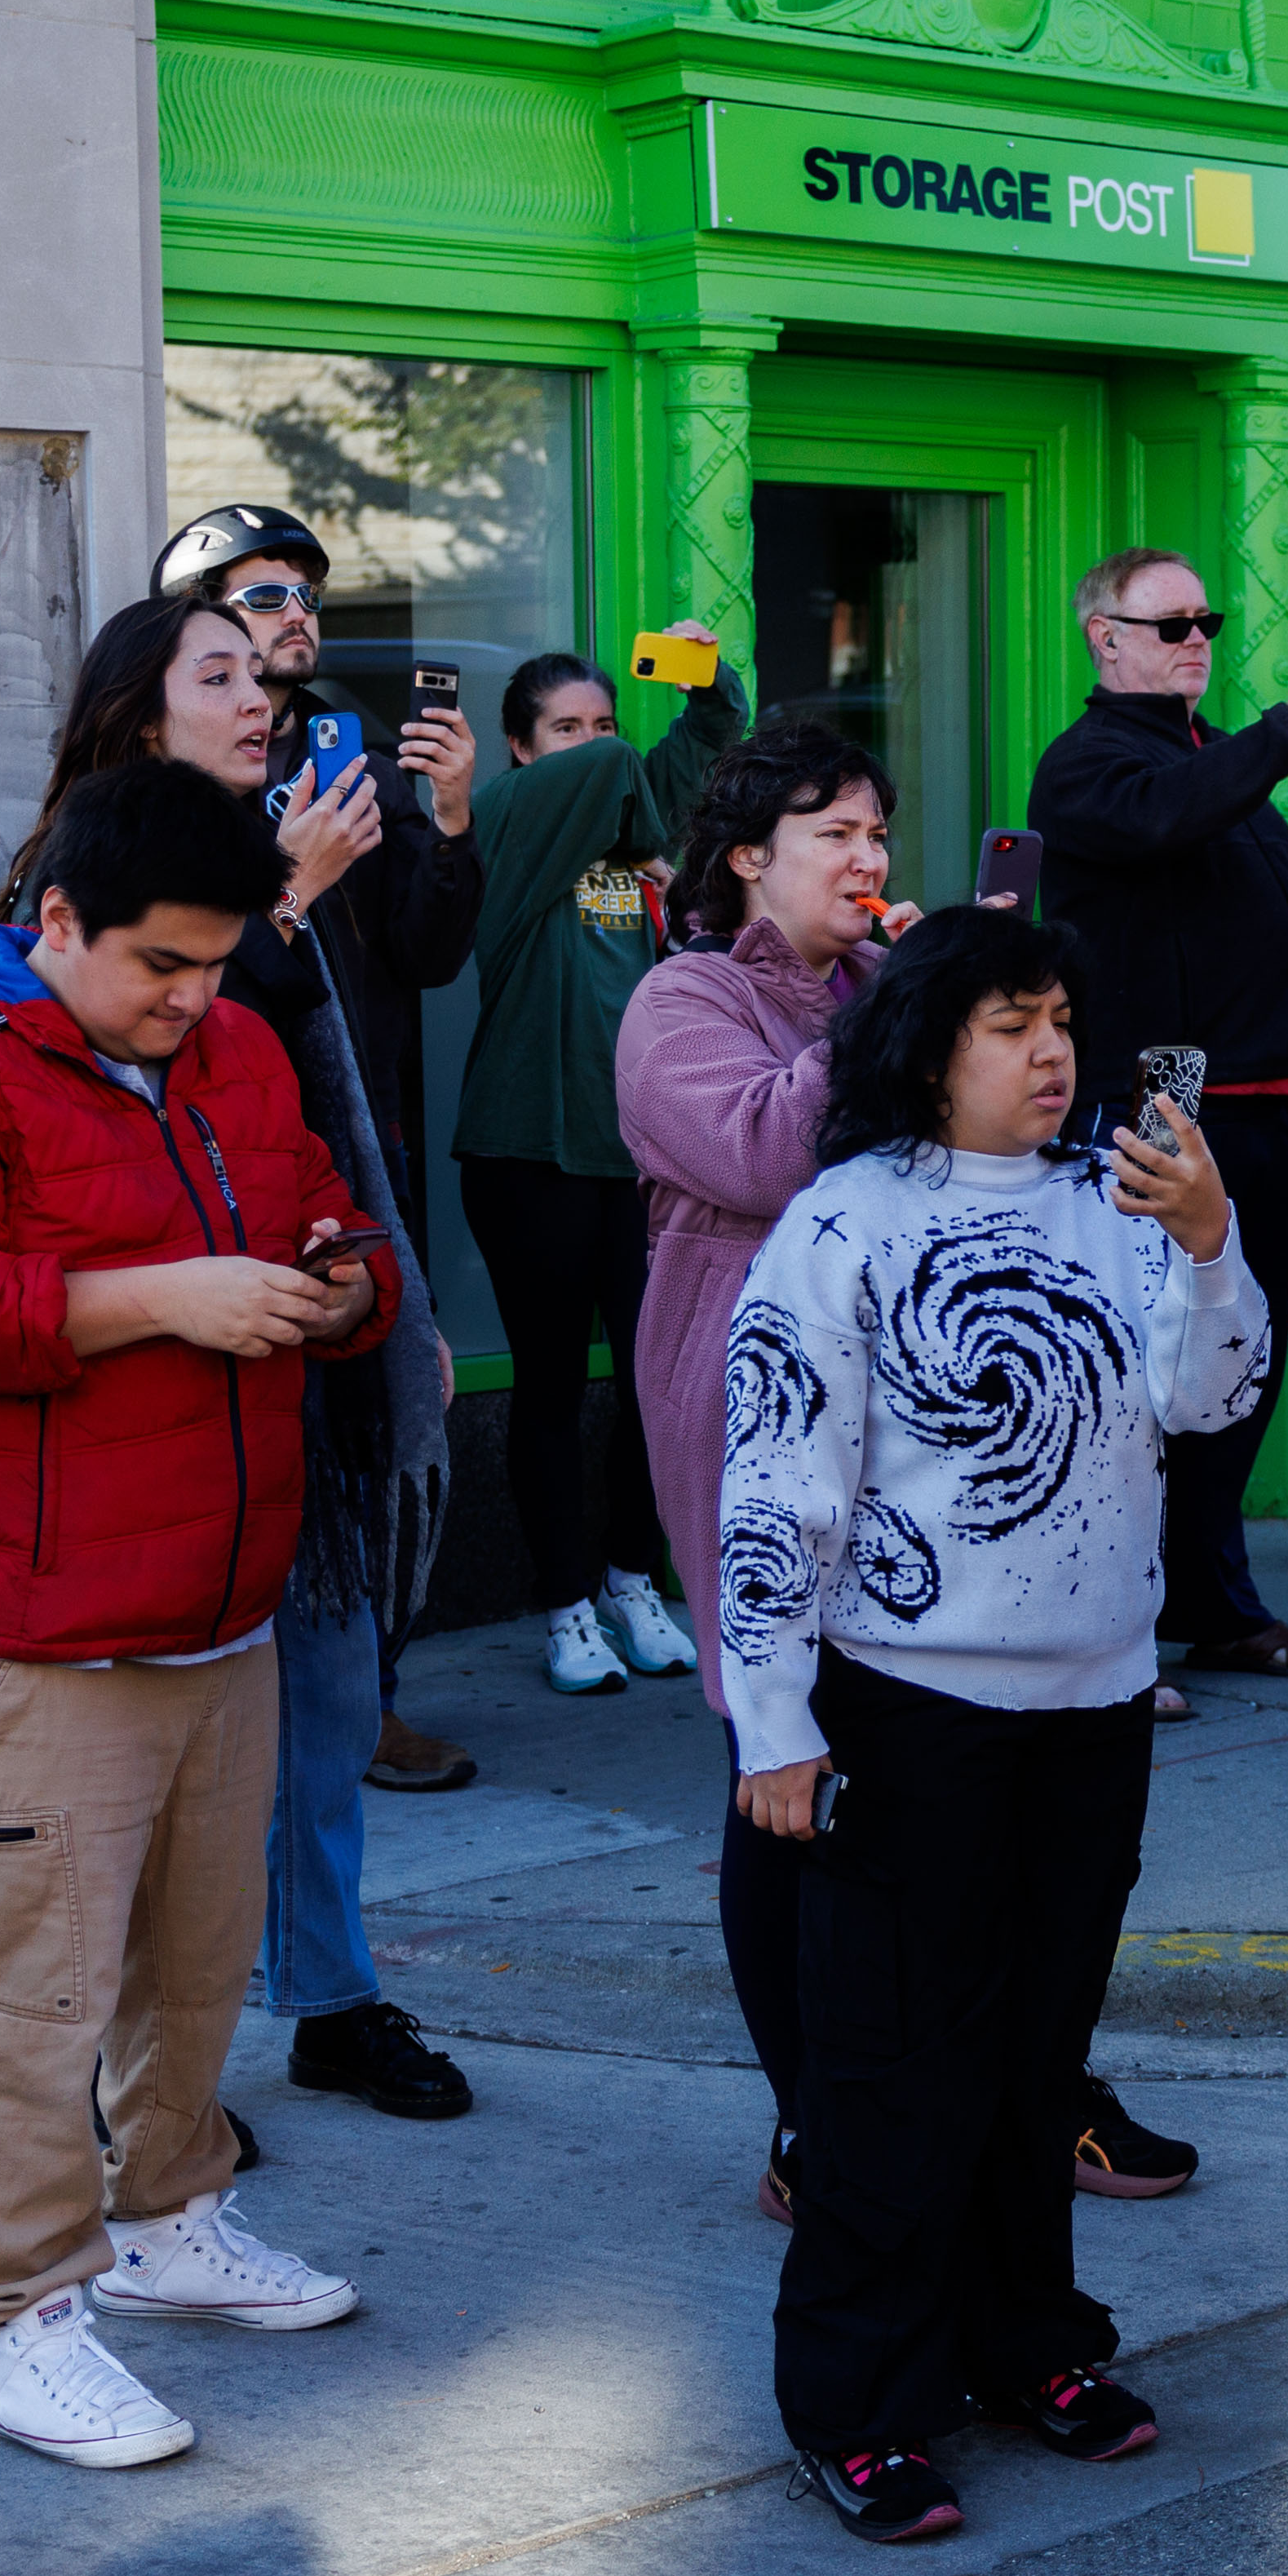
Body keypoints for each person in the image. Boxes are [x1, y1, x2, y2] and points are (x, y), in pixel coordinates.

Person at [0, 758, 398, 2469]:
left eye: (218, 964)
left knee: (190, 1971)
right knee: (27, 1998)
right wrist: (164, 1300)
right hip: (22, 1625)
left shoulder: (234, 1046)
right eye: (159, 965)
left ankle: (167, 2221)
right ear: (54, 919)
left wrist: (340, 1277)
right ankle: (19, 2317)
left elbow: (315, 1211)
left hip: (220, 1603)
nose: (192, 1001)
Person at [724, 907, 1272, 2544]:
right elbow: (773, 1485)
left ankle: (1028, 2344)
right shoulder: (843, 1223)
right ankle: (859, 2403)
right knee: (893, 2073)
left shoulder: (1123, 1202)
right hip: (905, 1711)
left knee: (1037, 2064)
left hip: (1093, 1709)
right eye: (1006, 1027)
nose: (1048, 1056)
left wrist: (1207, 1236)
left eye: (1059, 1023)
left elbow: (1215, 1395)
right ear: (926, 1047)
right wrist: (772, 1723)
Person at [4, 597, 473, 2127]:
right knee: (144, 1768)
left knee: (326, 1704)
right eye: (218, 672)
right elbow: (122, 1101)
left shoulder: (295, 835)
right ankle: (127, 2069)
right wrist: (283, 903)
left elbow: (349, 1065)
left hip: (303, 1330)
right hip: (142, 1381)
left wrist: (379, 1300)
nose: (258, 694)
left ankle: (327, 1996)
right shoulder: (78, 876)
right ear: (140, 708)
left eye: (261, 670)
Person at [617, 718, 906, 2223]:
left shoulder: (878, 988)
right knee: (779, 1760)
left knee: (913, 1761)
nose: (869, 862)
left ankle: (935, 2081)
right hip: (745, 1405)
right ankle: (810, 2112)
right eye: (835, 835)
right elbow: (754, 1154)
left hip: (908, 1407)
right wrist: (898, 1020)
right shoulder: (685, 998)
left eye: (878, 834)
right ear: (748, 857)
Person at [153, 503, 487, 1796]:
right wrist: (283, 883)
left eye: (306, 594)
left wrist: (449, 820)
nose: (295, 615)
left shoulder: (352, 762)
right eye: (260, 596)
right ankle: (260, 1707)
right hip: (221, 1170)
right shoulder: (165, 802)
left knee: (381, 1418)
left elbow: (429, 949)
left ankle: (371, 1691)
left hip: (361, 1141)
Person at [1028, 549, 1288, 1690]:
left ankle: (1213, 1603)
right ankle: (1112, 1621)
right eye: (1169, 621)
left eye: (1206, 620)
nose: (1194, 637)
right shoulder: (1090, 764)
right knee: (1143, 1384)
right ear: (1105, 636)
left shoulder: (1213, 757)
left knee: (1240, 1371)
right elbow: (1163, 821)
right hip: (1169, 1129)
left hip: (1271, 1116)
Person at [455, 633, 743, 1697]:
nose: (591, 747)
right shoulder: (506, 820)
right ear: (521, 753)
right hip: (528, 1145)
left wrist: (697, 669)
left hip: (645, 1160)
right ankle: (564, 1605)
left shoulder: (640, 815)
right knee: (545, 1384)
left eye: (603, 725)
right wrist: (632, 771)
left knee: (654, 1381)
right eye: (564, 730)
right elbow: (631, 776)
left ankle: (633, 1581)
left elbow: (713, 731)